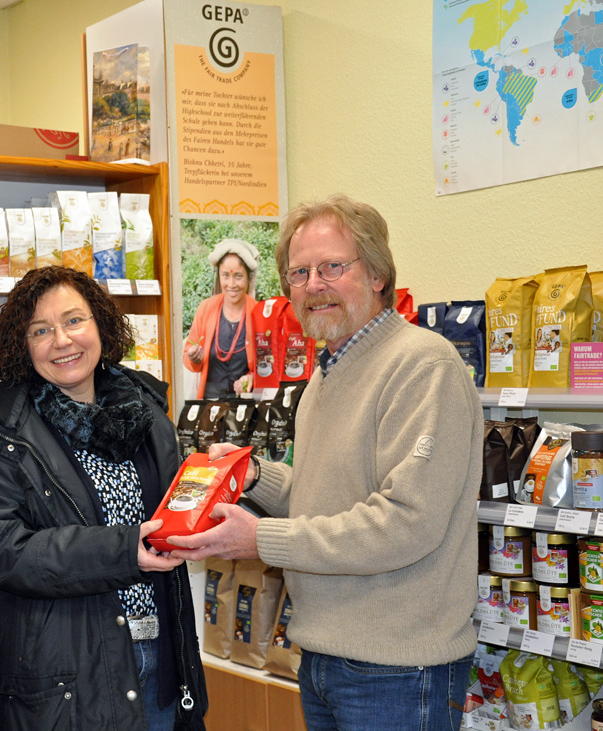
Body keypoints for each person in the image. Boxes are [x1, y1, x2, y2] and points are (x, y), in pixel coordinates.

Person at [168, 195, 484, 731]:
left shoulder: (423, 365)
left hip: (398, 671)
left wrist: (263, 539)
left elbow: (407, 521)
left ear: (378, 274)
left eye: (333, 266)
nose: (314, 285)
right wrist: (255, 477)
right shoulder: (326, 373)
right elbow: (326, 497)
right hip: (322, 659)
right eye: (299, 272)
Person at [0, 266, 208, 731]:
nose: (62, 340)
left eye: (74, 321)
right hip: (67, 677)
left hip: (163, 663)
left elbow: (172, 514)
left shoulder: (145, 409)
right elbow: (0, 550)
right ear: (22, 345)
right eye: (41, 330)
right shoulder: (1, 429)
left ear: (100, 324)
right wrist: (121, 551)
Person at [183, 238, 259, 398]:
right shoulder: (206, 308)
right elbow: (188, 356)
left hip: (246, 409)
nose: (231, 284)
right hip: (209, 407)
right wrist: (193, 357)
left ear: (248, 278)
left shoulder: (258, 313)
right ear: (219, 277)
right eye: (225, 276)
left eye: (238, 276)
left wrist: (252, 377)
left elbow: (268, 364)